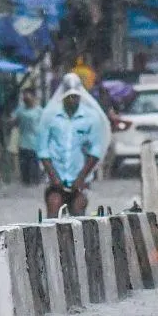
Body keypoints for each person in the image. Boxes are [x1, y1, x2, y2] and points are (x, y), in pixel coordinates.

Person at [37, 74, 111, 217]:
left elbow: (95, 150)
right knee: (53, 210)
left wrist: (81, 178)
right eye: (69, 97)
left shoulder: (91, 117)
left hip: (79, 180)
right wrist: (54, 178)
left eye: (75, 97)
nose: (72, 100)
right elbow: (42, 150)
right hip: (55, 180)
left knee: (78, 213)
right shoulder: (49, 115)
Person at [12, 88, 43, 186]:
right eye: (24, 98)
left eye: (28, 97)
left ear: (34, 98)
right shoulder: (20, 110)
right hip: (23, 144)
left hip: (35, 145)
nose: (25, 99)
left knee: (34, 172)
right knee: (24, 173)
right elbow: (13, 121)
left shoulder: (39, 111)